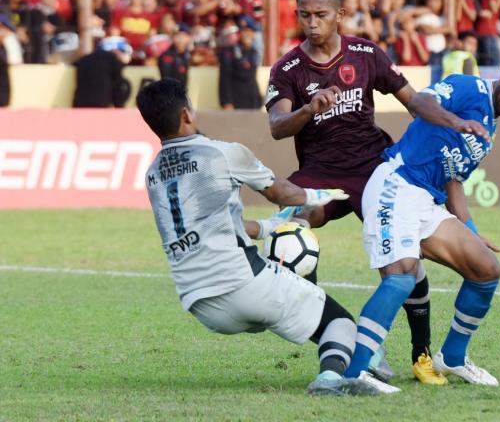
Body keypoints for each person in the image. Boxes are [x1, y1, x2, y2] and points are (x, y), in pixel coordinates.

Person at [267, 0, 491, 386]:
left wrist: (452, 120)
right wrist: (307, 110)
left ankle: (422, 354)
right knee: (288, 230)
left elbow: (414, 101)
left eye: (320, 14)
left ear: (341, 13)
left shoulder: (366, 54)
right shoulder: (289, 68)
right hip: (319, 174)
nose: (312, 23)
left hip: (375, 170)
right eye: (304, 15)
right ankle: (340, 335)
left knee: (406, 266)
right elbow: (278, 126)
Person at [135, 78, 383, 396]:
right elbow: (284, 193)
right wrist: (322, 193)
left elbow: (215, 225)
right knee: (340, 323)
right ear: (186, 114)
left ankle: (350, 351)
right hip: (243, 285)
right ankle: (331, 379)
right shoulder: (222, 154)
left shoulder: (152, 174)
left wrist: (267, 228)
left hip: (199, 303)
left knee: (298, 299)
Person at [343, 52, 500, 392]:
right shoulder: (468, 88)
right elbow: (421, 102)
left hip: (426, 201)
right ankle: (353, 375)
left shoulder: (489, 125)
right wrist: (456, 122)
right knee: (402, 277)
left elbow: (453, 179)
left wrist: (470, 231)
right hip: (397, 184)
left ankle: (453, 357)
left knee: (487, 269)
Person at [72, 37, 132, 108]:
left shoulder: (85, 59)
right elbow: (118, 87)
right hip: (100, 105)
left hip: (79, 104)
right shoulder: (113, 60)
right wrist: (119, 107)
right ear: (116, 51)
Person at [217, 16, 262, 110]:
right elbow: (224, 78)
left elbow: (252, 78)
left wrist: (258, 100)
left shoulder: (253, 52)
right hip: (236, 103)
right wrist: (226, 102)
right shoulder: (229, 52)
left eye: (250, 31)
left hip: (253, 103)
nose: (246, 34)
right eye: (244, 31)